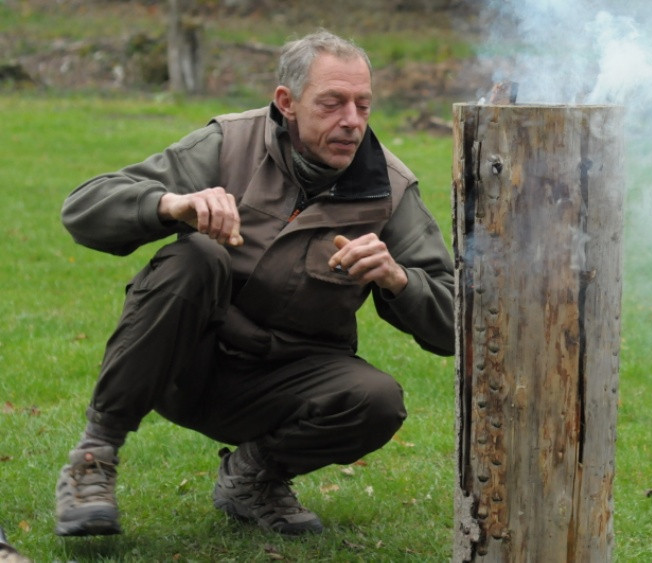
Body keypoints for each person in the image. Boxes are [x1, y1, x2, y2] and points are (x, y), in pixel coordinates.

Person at [53, 29, 455, 537]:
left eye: (363, 105)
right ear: (286, 102)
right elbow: (82, 209)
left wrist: (400, 280)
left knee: (376, 399)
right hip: (181, 365)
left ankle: (253, 478)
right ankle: (94, 458)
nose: (351, 121)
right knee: (195, 257)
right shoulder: (228, 144)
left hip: (283, 385)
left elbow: (456, 326)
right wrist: (172, 205)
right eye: (332, 103)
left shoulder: (390, 190)